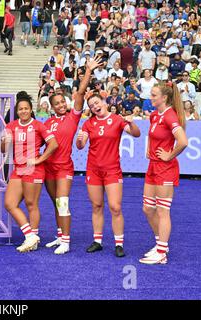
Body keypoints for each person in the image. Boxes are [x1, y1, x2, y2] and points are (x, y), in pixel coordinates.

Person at [44, 56, 103, 255]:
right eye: (57, 104)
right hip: (48, 167)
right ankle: (60, 235)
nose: (61, 105)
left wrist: (88, 71)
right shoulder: (47, 122)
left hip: (63, 168)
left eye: (63, 102)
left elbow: (79, 94)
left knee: (62, 201)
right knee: (55, 202)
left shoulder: (72, 117)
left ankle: (66, 241)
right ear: (52, 107)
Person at [76, 86, 141, 258]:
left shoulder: (118, 120)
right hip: (93, 170)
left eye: (97, 102)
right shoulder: (88, 123)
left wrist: (131, 122)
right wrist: (80, 141)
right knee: (96, 206)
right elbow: (80, 146)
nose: (95, 106)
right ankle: (97, 241)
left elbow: (136, 134)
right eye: (91, 105)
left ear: (104, 102)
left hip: (112, 170)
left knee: (115, 207)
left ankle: (118, 243)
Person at [2, 92, 57, 253]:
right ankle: (30, 236)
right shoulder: (11, 126)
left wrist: (40, 159)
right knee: (10, 204)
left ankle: (32, 239)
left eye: (26, 108)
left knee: (31, 204)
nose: (23, 111)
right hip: (18, 169)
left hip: (33, 169)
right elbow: (2, 149)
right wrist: (5, 141)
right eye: (20, 109)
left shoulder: (39, 125)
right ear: (17, 111)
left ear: (31, 110)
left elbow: (53, 144)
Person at [139, 83, 188, 265]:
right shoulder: (154, 115)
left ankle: (161, 252)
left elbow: (183, 142)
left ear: (164, 98)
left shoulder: (170, 116)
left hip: (165, 169)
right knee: (147, 208)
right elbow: (151, 135)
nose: (150, 97)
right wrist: (148, 148)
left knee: (162, 210)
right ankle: (161, 244)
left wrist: (169, 155)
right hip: (153, 166)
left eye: (153, 95)